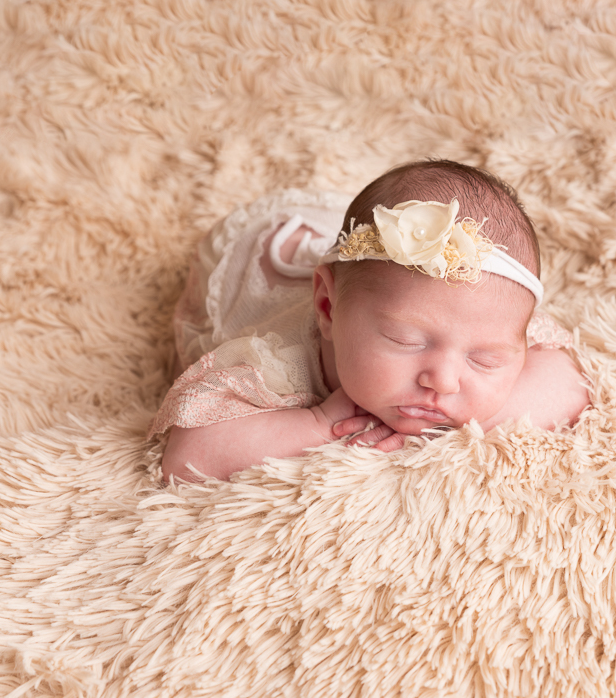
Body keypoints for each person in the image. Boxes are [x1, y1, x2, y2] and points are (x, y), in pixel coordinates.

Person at [151, 160, 590, 482]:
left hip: (377, 263)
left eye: (485, 360)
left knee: (376, 274)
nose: (443, 381)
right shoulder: (277, 360)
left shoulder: (482, 312)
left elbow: (570, 383)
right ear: (328, 309)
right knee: (367, 270)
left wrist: (449, 433)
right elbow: (187, 459)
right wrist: (319, 424)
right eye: (405, 340)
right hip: (251, 254)